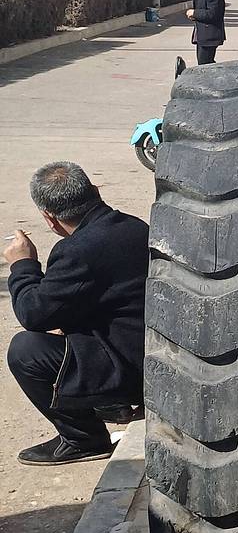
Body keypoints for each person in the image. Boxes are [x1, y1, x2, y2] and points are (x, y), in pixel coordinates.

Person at [3, 163, 149, 465]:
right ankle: (112, 407)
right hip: (145, 350)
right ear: (95, 191)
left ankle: (82, 439)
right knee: (64, 323)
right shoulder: (134, 227)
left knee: (25, 350)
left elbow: (32, 314)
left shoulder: (77, 250)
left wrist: (22, 265)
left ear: (49, 217)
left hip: (130, 368)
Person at [186, 0, 226, 64]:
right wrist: (195, 16)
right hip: (202, 35)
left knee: (205, 64)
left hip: (210, 36)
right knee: (205, 64)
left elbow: (213, 14)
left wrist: (194, 13)